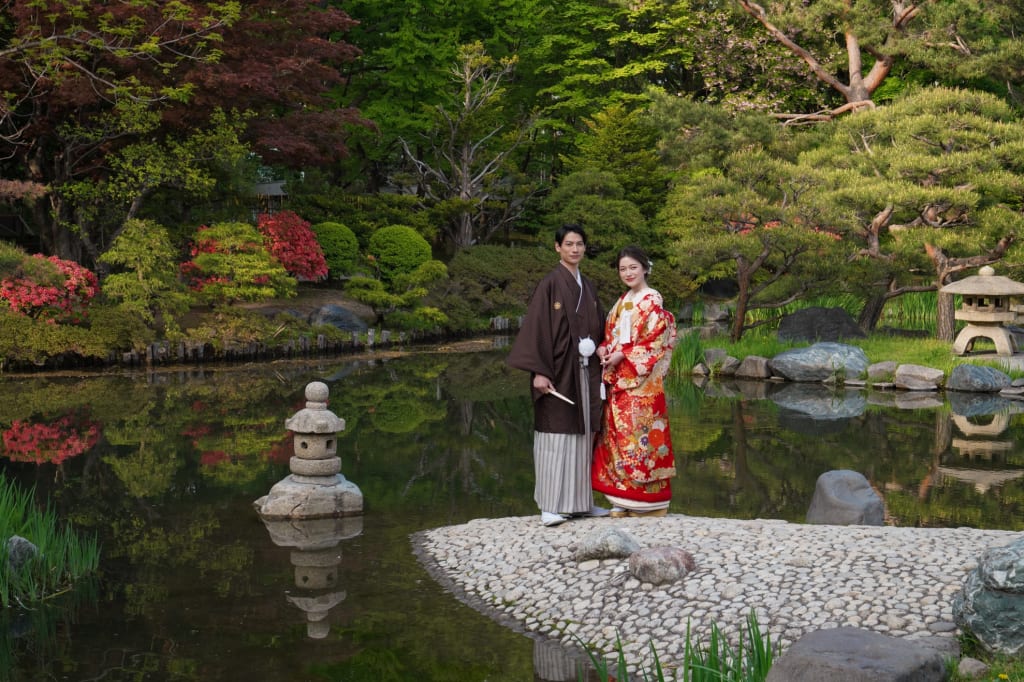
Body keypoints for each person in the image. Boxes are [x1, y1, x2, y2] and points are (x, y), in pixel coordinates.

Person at [507, 224, 609, 526]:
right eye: (568, 244)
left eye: (579, 244)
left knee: (584, 433)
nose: (575, 249)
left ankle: (580, 503)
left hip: (586, 371)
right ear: (557, 248)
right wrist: (539, 371)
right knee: (555, 434)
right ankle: (550, 506)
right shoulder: (550, 284)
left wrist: (603, 347)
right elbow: (537, 328)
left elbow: (601, 325)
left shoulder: (587, 286)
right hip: (557, 371)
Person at [592, 245, 677, 517]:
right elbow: (612, 335)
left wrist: (623, 356)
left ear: (645, 268)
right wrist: (604, 348)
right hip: (620, 382)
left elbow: (655, 342)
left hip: (641, 386)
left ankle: (649, 502)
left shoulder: (652, 300)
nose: (628, 273)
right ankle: (624, 499)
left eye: (633, 267)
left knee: (641, 440)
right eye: (623, 269)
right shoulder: (623, 300)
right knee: (617, 439)